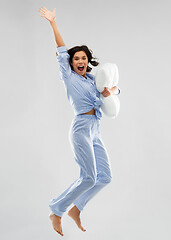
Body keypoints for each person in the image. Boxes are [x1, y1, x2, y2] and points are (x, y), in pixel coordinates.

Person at [38, 6, 120, 236]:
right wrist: (53, 23)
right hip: (81, 128)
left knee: (105, 177)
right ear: (72, 63)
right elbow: (61, 50)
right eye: (77, 59)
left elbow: (115, 90)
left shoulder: (93, 79)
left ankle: (77, 209)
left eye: (83, 58)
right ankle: (57, 209)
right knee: (89, 177)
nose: (80, 61)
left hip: (96, 129)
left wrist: (110, 91)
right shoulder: (69, 77)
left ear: (88, 61)